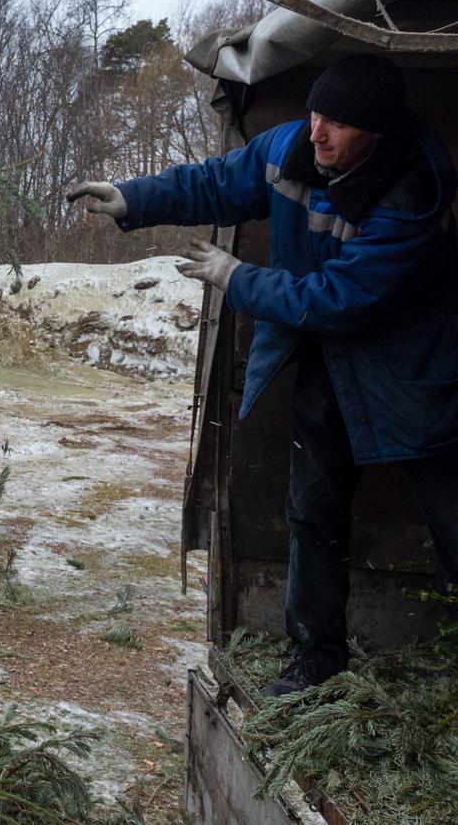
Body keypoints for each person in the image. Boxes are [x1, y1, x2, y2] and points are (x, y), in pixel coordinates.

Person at [67, 54, 458, 696]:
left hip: (410, 369)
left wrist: (236, 277)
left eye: (337, 122)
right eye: (315, 113)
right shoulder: (290, 147)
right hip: (330, 362)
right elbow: (219, 181)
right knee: (312, 510)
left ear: (379, 132)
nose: (317, 132)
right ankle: (315, 661)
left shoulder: (413, 191)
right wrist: (134, 197)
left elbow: (340, 298)